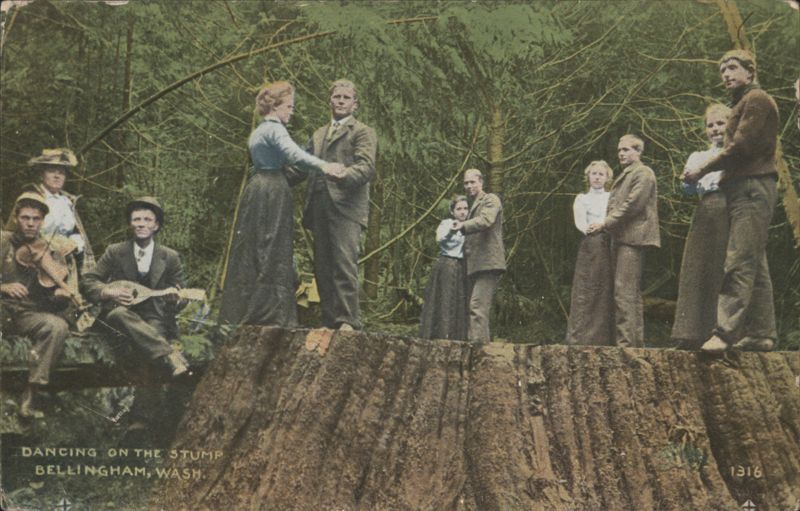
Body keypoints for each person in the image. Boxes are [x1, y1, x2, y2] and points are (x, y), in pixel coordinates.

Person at [219, 81, 342, 327]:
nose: (291, 111)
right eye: (288, 106)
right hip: (272, 189)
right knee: (273, 246)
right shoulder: (274, 129)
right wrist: (325, 166)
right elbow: (294, 154)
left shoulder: (259, 131)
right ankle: (270, 313)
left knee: (255, 246)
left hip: (257, 188)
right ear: (275, 106)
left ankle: (245, 308)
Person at [684, 49, 779, 353]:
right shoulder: (742, 103)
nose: (726, 74)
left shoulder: (757, 100)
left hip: (752, 186)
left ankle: (724, 333)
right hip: (743, 187)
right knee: (755, 261)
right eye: (723, 69)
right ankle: (762, 333)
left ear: (750, 72)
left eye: (733, 68)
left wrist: (702, 168)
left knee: (738, 259)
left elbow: (741, 147)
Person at [81, 197, 190, 433]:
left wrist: (176, 299)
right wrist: (108, 291)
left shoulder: (169, 257)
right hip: (118, 316)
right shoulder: (115, 251)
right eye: (136, 219)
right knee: (120, 315)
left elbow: (181, 295)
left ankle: (141, 420)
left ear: (156, 225)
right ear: (130, 224)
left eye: (147, 219)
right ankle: (170, 355)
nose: (141, 224)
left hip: (154, 317)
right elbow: (88, 281)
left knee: (150, 340)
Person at [293, 79, 378, 331]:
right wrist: (270, 173)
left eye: (346, 97)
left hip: (347, 207)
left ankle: (348, 321)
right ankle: (329, 321)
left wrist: (342, 174)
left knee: (344, 263)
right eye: (336, 97)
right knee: (323, 266)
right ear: (329, 101)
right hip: (318, 205)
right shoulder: (319, 134)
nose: (340, 101)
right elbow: (300, 166)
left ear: (355, 104)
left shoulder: (362, 132)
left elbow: (366, 168)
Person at [1, 192, 77, 417]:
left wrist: (60, 297)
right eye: (25, 218)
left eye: (36, 219)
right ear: (16, 218)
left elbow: (48, 302)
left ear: (42, 221)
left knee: (56, 326)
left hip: (27, 314)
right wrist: (3, 288)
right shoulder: (2, 240)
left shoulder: (49, 249)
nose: (30, 223)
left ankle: (31, 395)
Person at [588, 135, 660, 347]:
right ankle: (632, 343)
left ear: (638, 152)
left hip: (633, 239)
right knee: (626, 292)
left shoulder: (643, 173)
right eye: (620, 150)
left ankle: (626, 344)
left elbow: (632, 205)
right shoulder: (627, 174)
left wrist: (605, 223)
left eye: (627, 149)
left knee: (625, 291)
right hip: (621, 238)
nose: (621, 153)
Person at [671, 104, 731, 350]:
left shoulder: (736, 153)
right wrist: (686, 180)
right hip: (704, 210)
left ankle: (721, 332)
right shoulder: (698, 156)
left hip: (728, 209)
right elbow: (688, 190)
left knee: (723, 268)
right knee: (696, 267)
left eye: (720, 123)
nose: (715, 129)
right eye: (710, 125)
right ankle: (690, 332)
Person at [5, 148, 95, 273]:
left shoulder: (67, 201)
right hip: (33, 261)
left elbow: (76, 232)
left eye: (61, 172)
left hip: (64, 263)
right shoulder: (30, 197)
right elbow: (12, 234)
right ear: (42, 174)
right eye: (51, 171)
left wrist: (76, 243)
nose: (57, 176)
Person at [453, 168, 506, 344]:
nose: (469, 186)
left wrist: (462, 225)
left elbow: (486, 220)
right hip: (473, 264)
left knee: (477, 306)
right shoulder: (469, 207)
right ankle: (481, 346)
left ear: (481, 182)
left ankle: (478, 349)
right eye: (466, 183)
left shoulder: (490, 199)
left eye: (472, 182)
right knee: (476, 308)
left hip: (488, 262)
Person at [565, 161, 614, 346]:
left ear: (607, 178)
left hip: (608, 243)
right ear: (588, 176)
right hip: (590, 244)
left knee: (604, 289)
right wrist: (590, 228)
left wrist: (603, 225)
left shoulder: (611, 197)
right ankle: (580, 337)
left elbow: (613, 217)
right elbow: (580, 222)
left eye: (601, 174)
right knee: (586, 288)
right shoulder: (581, 198)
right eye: (594, 173)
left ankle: (601, 337)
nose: (597, 177)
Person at [419, 195, 469, 341]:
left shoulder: (470, 226)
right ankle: (441, 339)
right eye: (459, 209)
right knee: (445, 302)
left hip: (463, 267)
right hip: (446, 265)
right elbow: (440, 239)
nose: (462, 212)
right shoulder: (447, 224)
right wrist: (452, 232)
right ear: (452, 211)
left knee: (459, 304)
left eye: (465, 208)